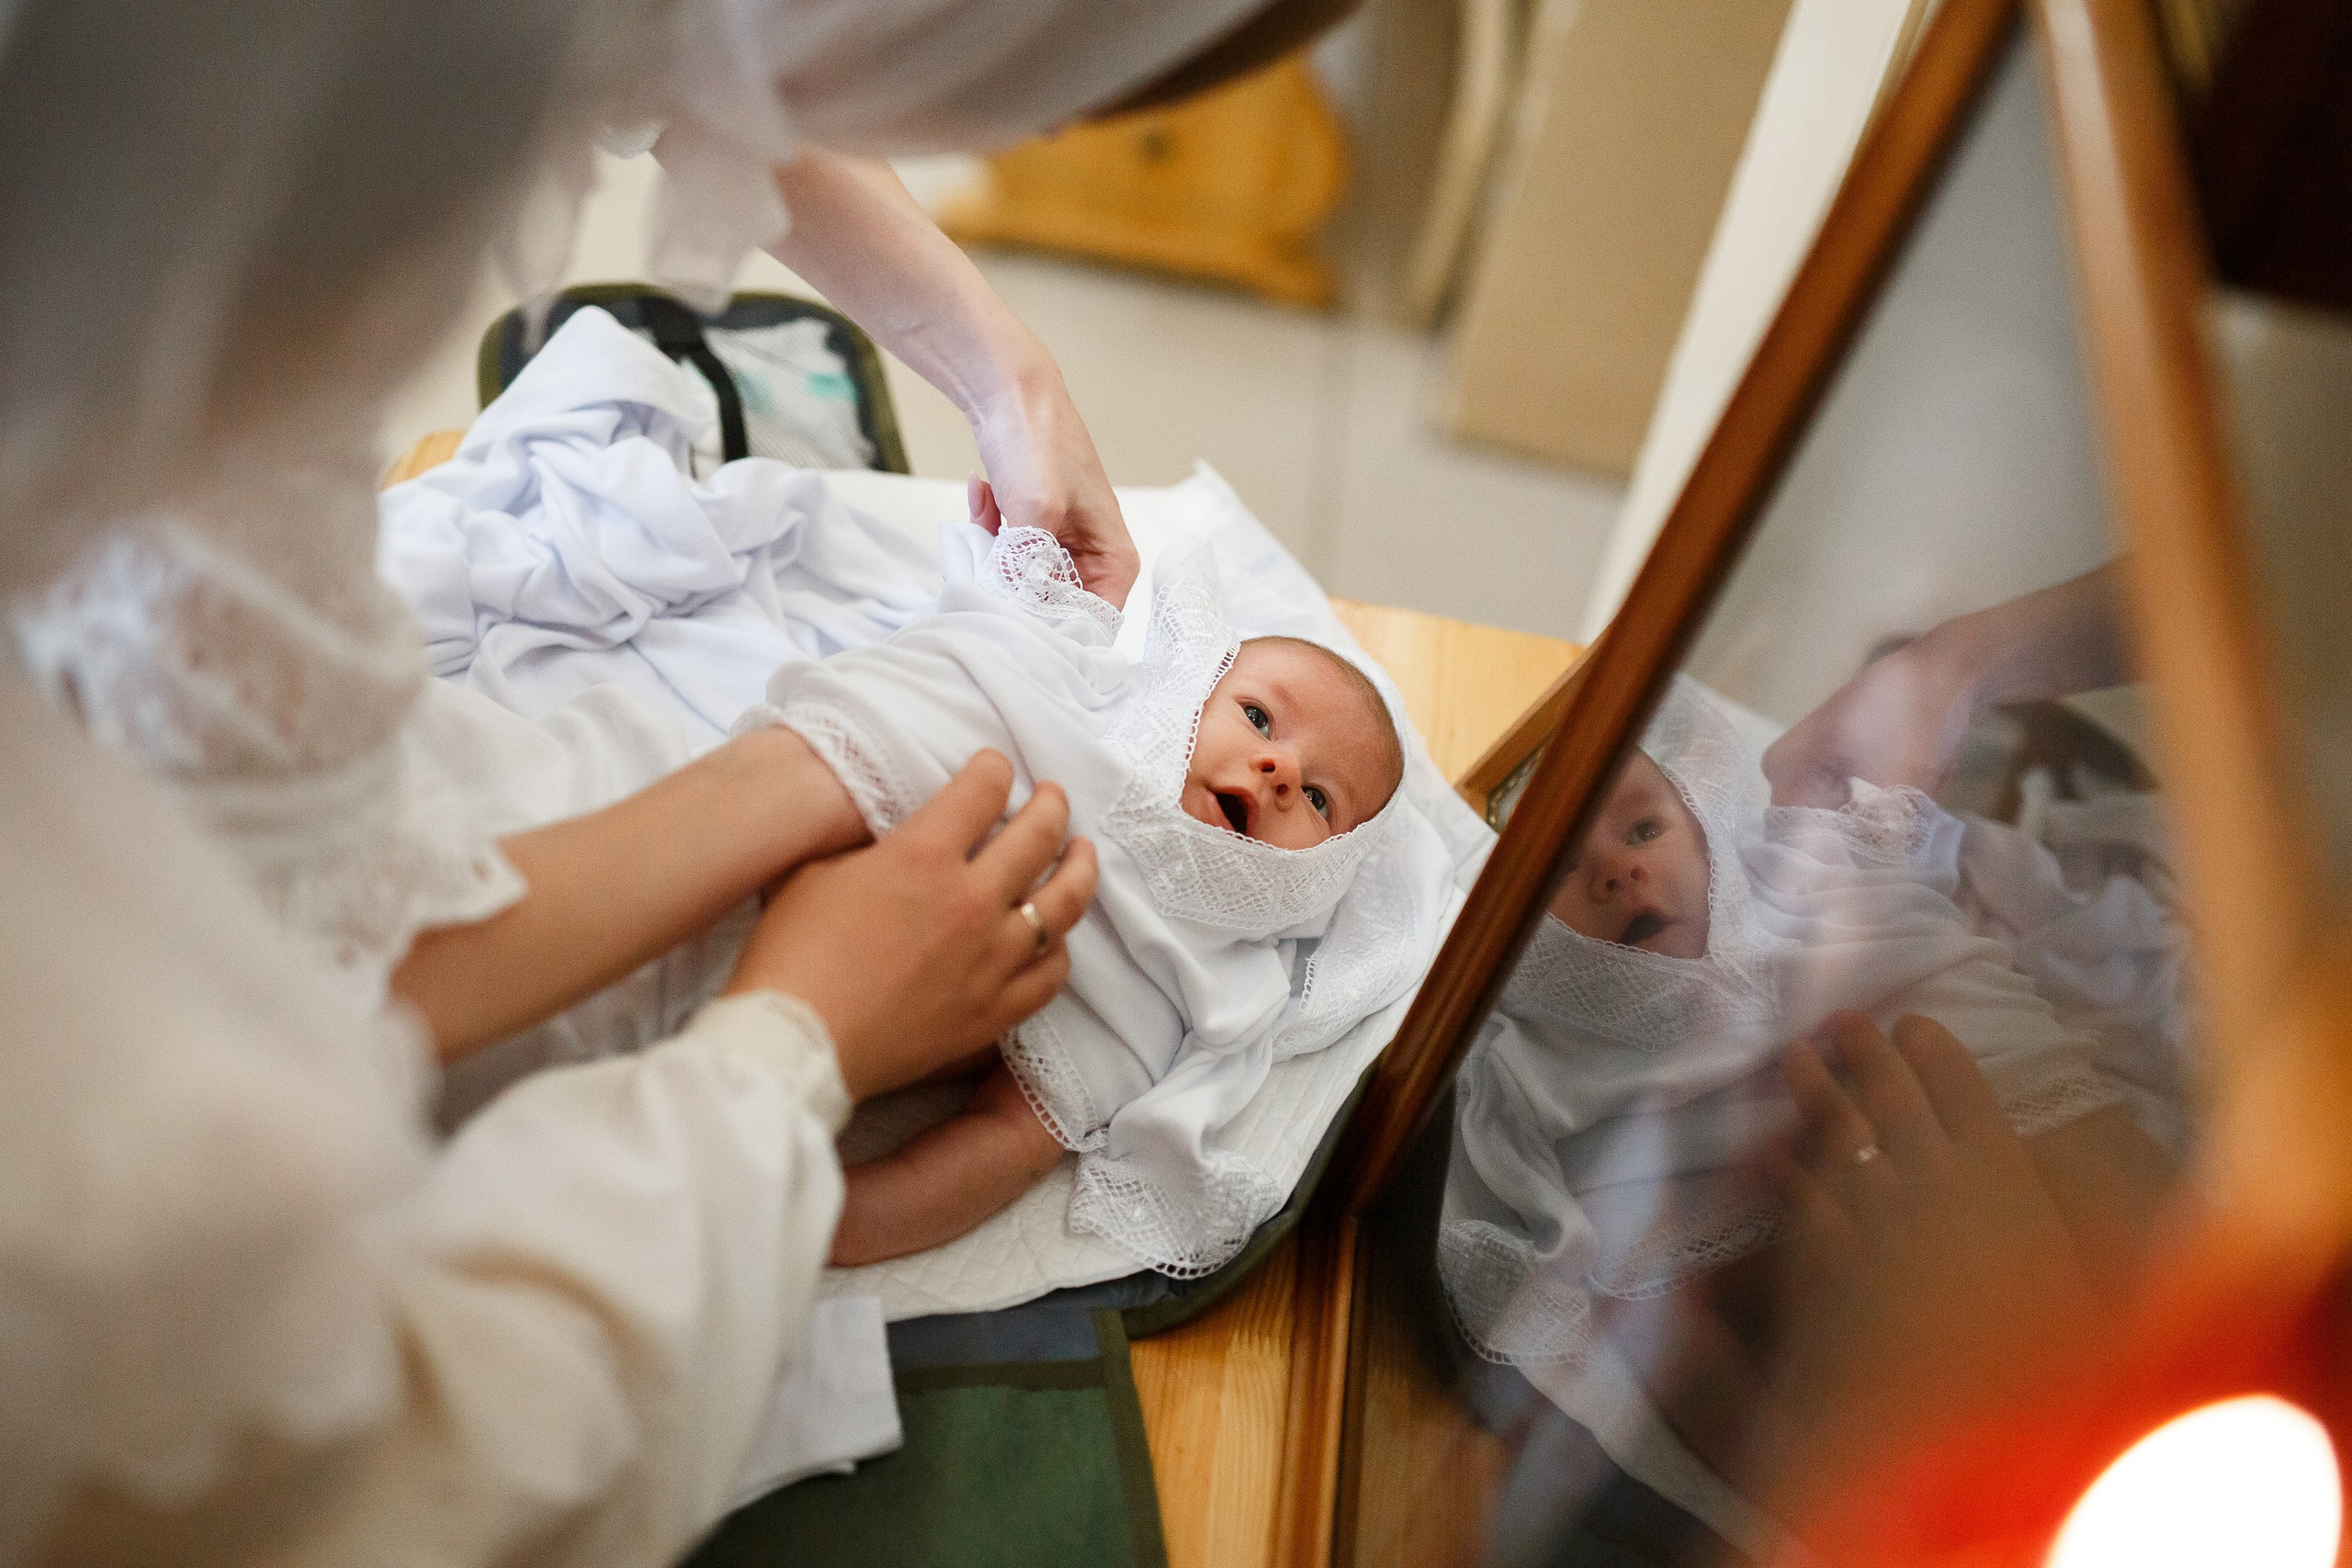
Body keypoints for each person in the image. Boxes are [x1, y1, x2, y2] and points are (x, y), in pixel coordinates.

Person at [0, 2, 1363, 1563]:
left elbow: (1021, 1136)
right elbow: (277, 974)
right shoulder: (218, 212)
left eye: (1320, 796)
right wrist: (800, 1009)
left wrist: (1007, 375)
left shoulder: (1193, 976)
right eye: (1259, 712)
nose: (1271, 767)